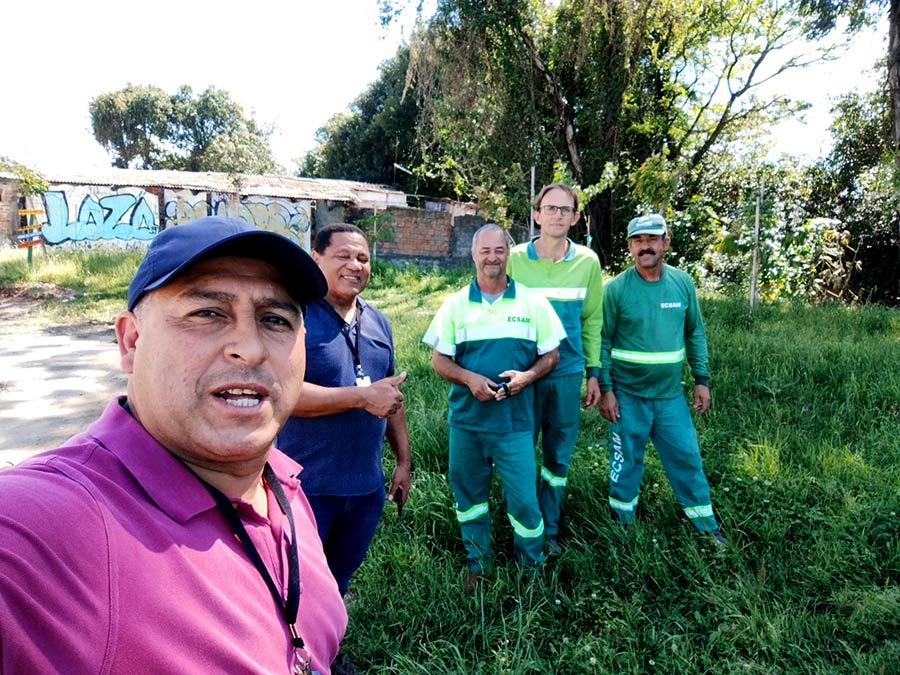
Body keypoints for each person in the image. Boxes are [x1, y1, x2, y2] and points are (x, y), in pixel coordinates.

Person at [0, 217, 347, 674]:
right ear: (131, 341)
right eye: (207, 314)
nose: (251, 347)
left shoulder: (282, 483)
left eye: (275, 319)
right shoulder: (50, 528)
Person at [423, 223, 566, 590]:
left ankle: (531, 565)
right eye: (485, 250)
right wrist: (470, 379)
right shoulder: (455, 304)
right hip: (468, 423)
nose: (492, 257)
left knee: (523, 500)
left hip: (514, 423)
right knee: (469, 497)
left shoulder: (532, 302)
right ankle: (478, 561)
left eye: (499, 250)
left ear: (508, 254)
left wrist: (527, 377)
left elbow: (551, 355)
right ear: (473, 255)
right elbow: (440, 361)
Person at [277, 223, 411, 597]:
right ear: (315, 259)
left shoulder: (378, 321)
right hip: (305, 488)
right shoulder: (294, 316)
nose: (355, 265)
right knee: (295, 585)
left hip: (365, 487)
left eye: (363, 258)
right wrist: (359, 397)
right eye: (343, 256)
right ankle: (290, 656)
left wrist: (403, 460)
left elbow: (391, 395)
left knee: (339, 580)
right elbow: (284, 396)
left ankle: (328, 654)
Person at [598, 214, 726, 544]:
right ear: (629, 248)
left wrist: (702, 378)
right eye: (638, 241)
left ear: (666, 243)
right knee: (626, 460)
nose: (646, 247)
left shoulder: (682, 283)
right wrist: (607, 390)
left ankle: (706, 525)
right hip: (627, 395)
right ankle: (623, 521)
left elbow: (694, 331)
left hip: (670, 397)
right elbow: (602, 341)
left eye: (652, 240)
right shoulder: (615, 290)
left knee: (686, 456)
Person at [507, 182, 603, 557]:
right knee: (518, 451)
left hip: (566, 373)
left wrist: (594, 372)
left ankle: (549, 527)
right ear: (536, 215)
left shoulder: (587, 262)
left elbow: (593, 320)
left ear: (576, 217)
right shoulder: (514, 258)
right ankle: (522, 524)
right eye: (550, 208)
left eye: (565, 210)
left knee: (557, 454)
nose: (557, 215)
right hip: (522, 375)